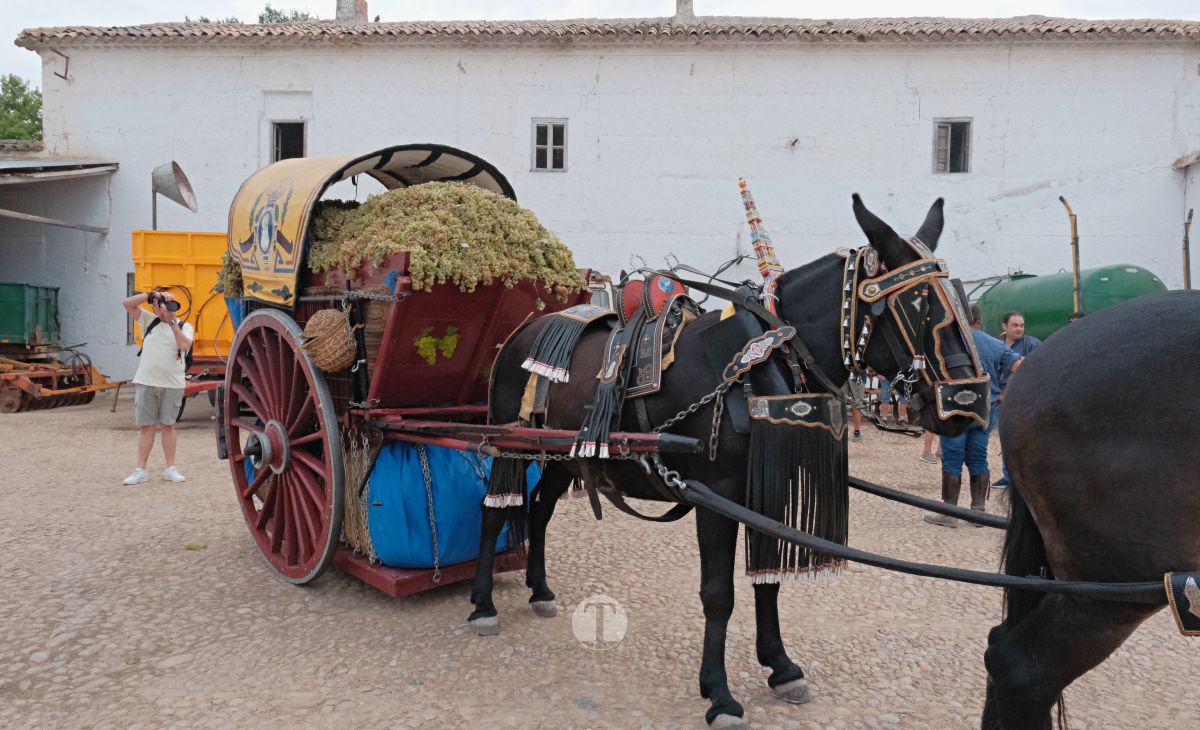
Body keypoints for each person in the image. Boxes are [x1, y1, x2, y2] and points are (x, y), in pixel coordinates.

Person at [924, 303, 1021, 528]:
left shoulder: (946, 343)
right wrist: (1004, 393)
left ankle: (949, 513)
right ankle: (978, 513)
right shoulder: (995, 344)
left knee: (952, 458)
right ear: (978, 320)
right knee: (978, 457)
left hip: (955, 410)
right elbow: (1020, 366)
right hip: (984, 411)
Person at [121, 289, 194, 485]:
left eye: (168, 304)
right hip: (147, 381)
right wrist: (150, 294)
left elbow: (184, 345)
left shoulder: (185, 326)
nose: (162, 308)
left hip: (172, 383)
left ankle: (170, 468)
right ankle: (140, 469)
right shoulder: (148, 320)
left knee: (168, 425)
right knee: (147, 426)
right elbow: (127, 303)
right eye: (159, 304)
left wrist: (171, 321)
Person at [992, 311, 1041, 487]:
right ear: (1004, 327)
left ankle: (1028, 478)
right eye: (1015, 325)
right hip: (1000, 401)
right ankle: (1008, 478)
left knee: (1026, 439)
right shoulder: (997, 345)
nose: (1019, 328)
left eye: (1021, 325)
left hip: (1024, 401)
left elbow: (1037, 368)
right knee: (1006, 438)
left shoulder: (1032, 345)